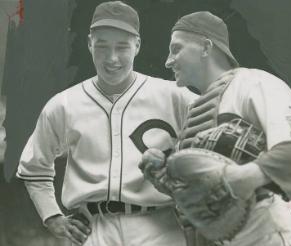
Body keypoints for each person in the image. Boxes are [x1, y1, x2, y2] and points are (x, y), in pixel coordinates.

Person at [16, 2, 196, 246]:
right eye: (102, 46)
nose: (112, 58)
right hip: (93, 230)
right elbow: (34, 168)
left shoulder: (175, 96)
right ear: (90, 43)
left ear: (137, 46)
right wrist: (52, 216)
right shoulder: (64, 104)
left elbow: (225, 134)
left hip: (161, 225)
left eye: (122, 47)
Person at [163, 11, 291, 246]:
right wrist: (167, 178)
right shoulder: (192, 113)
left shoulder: (252, 83)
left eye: (176, 49)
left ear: (206, 47)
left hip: (270, 236)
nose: (168, 60)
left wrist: (243, 177)